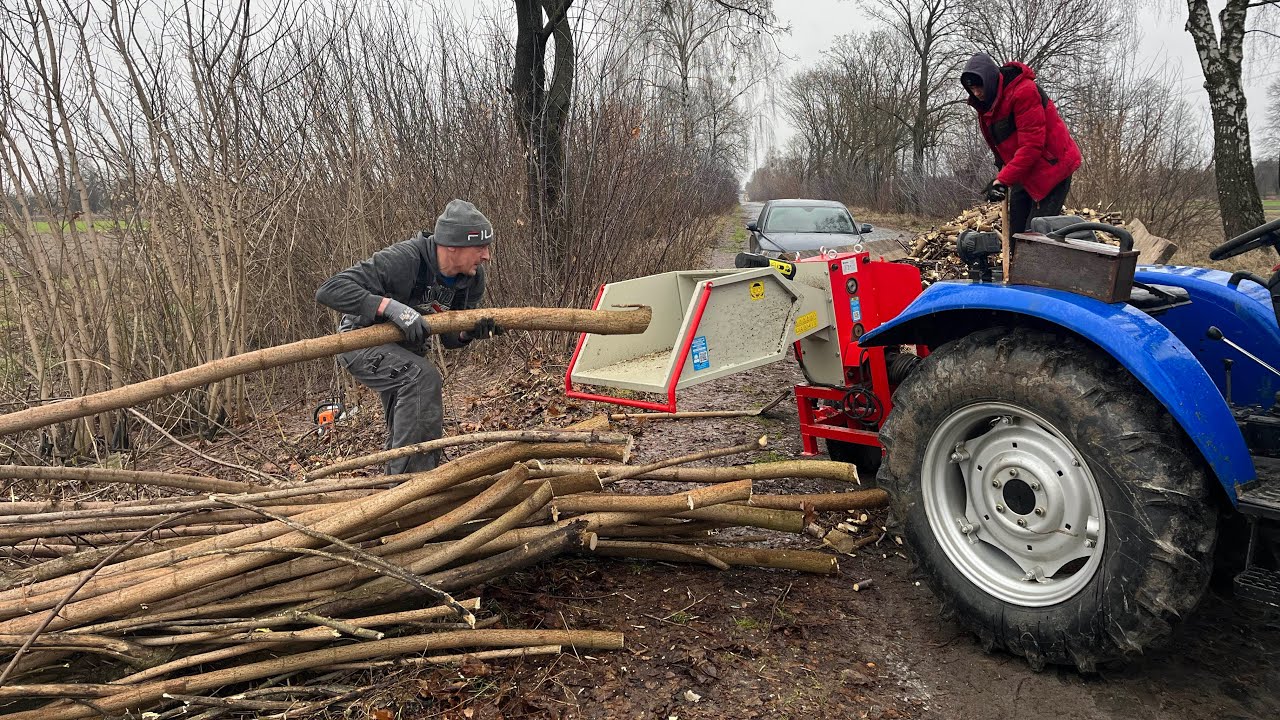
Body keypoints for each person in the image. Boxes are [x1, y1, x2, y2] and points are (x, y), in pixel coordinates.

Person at [316, 199, 501, 475]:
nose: (486, 256)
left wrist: (469, 332)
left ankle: (400, 488)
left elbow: (450, 339)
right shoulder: (406, 259)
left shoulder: (472, 279)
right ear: (453, 245)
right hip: (361, 341)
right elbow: (330, 290)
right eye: (480, 248)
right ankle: (412, 488)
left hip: (406, 351)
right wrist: (388, 307)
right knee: (423, 378)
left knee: (407, 422)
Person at [961, 53, 1082, 234]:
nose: (976, 93)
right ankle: (1015, 260)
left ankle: (1041, 260)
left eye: (979, 86)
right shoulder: (986, 102)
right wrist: (1002, 175)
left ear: (990, 79)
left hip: (1052, 167)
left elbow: (1032, 145)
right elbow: (1001, 145)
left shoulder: (1023, 91)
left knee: (1036, 234)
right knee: (1016, 233)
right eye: (971, 88)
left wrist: (1003, 179)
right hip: (1025, 169)